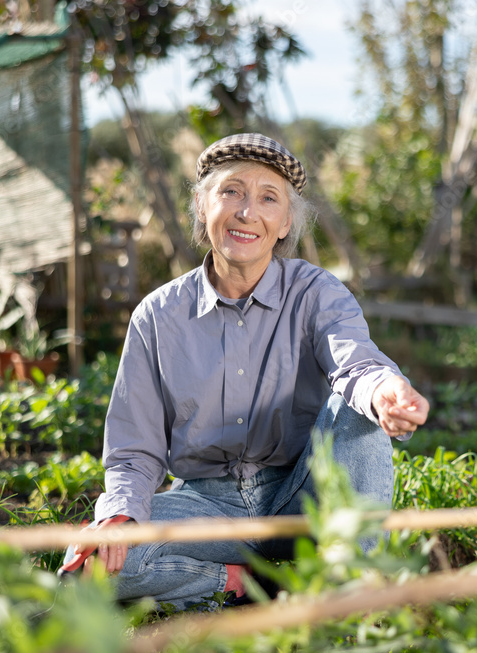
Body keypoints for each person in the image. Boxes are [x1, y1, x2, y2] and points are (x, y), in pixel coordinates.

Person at [68, 133, 430, 610]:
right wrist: (118, 517)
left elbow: (355, 363)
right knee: (94, 566)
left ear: (284, 223)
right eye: (231, 191)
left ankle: (351, 591)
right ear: (202, 206)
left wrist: (384, 388)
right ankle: (241, 582)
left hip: (302, 495)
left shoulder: (316, 292)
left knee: (356, 405)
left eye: (267, 198)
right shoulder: (157, 316)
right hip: (206, 508)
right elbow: (134, 450)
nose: (246, 212)